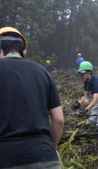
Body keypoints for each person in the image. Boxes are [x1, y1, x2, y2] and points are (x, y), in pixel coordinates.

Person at [0, 27, 64, 168]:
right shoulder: (43, 72)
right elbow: (59, 120)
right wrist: (49, 148)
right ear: (24, 50)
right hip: (45, 156)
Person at [71, 61, 98, 130]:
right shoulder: (86, 82)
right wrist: (78, 103)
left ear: (88, 73)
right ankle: (92, 132)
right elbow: (85, 96)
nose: (81, 76)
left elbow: (95, 100)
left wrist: (86, 109)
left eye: (83, 74)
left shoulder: (97, 82)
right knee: (92, 120)